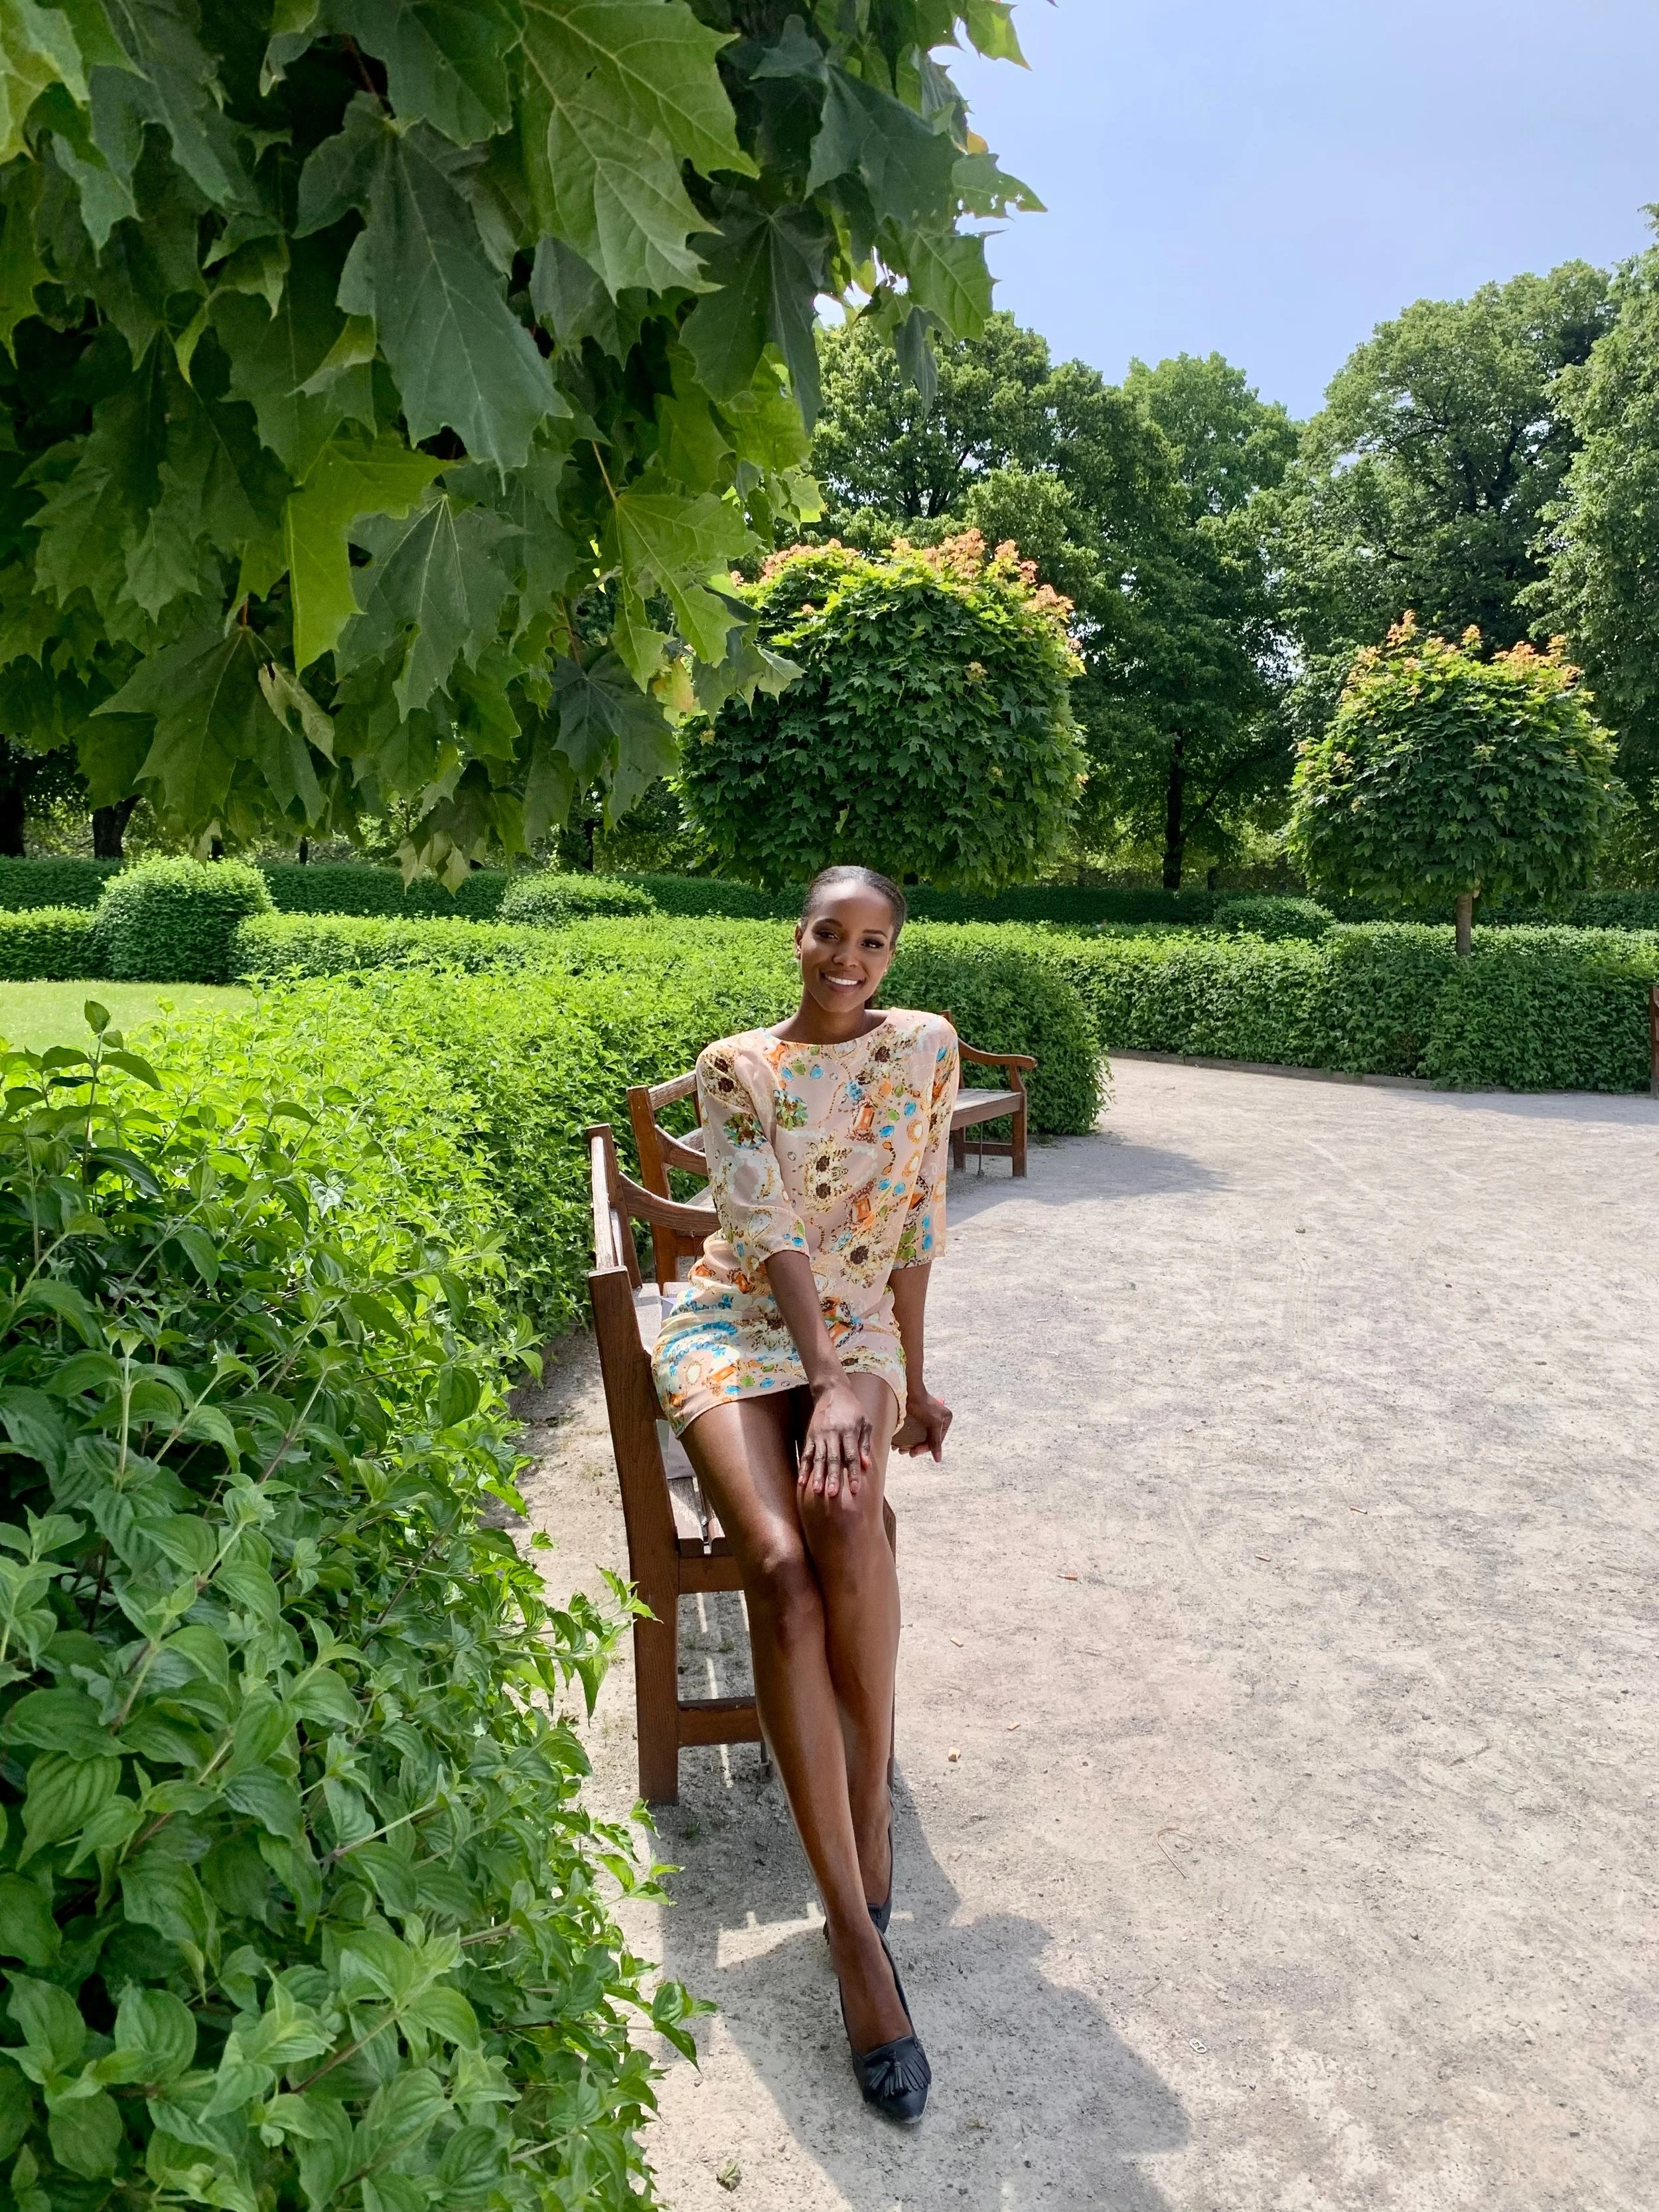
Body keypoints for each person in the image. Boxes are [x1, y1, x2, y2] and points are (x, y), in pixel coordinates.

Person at [650, 865, 959, 2122]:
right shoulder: (739, 1064)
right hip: (736, 1320)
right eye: (830, 934)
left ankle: (870, 1814)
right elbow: (764, 1223)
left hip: (859, 1334)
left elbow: (918, 1216)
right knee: (777, 1565)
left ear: (892, 952)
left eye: (873, 941)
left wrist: (906, 1381)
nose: (850, 958)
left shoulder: (925, 1047)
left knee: (847, 1515)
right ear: (798, 939)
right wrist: (826, 1379)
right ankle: (851, 1936)